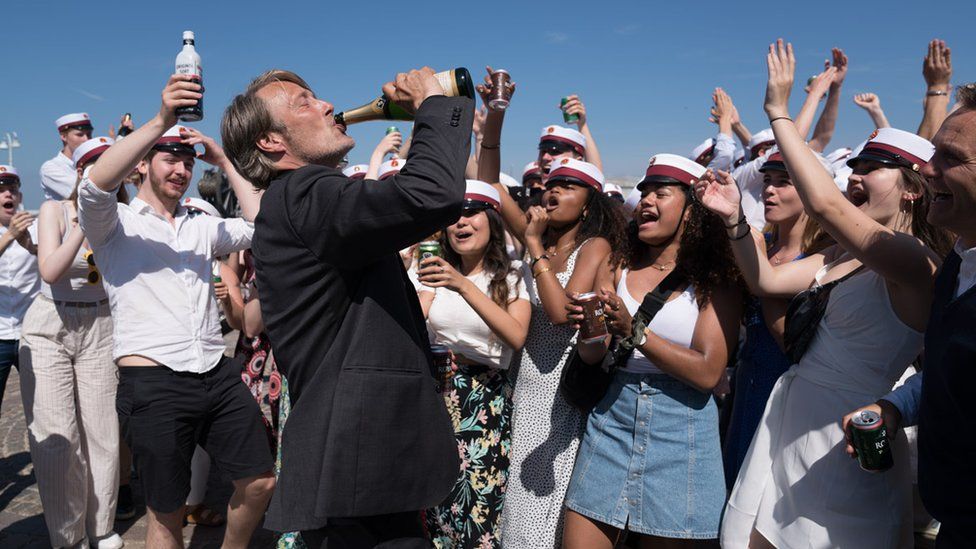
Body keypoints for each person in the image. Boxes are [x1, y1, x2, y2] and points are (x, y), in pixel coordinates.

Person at [698, 39, 952, 548]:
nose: (854, 176)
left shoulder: (914, 259)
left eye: (869, 169)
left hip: (842, 440)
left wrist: (779, 112)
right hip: (789, 419)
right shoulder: (843, 256)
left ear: (910, 188)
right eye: (852, 167)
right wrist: (733, 221)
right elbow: (765, 282)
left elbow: (826, 206)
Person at [220, 66, 472, 547]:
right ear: (272, 142)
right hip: (362, 457)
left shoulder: (298, 201)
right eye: (303, 102)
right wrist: (433, 106)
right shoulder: (305, 192)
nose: (328, 105)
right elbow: (430, 195)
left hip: (360, 461)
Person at [78, 74, 273, 549]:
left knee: (261, 481)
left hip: (214, 371)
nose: (182, 171)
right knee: (166, 514)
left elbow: (263, 225)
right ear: (141, 165)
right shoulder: (115, 224)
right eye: (170, 159)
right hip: (154, 380)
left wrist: (224, 159)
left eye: (187, 162)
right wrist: (162, 119)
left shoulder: (202, 224)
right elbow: (94, 184)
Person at [562, 153, 742, 547]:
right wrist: (590, 329)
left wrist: (636, 332)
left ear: (693, 211)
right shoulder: (618, 261)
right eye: (643, 193)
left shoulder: (717, 277)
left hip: (682, 430)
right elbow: (596, 355)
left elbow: (710, 372)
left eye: (661, 193)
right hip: (612, 419)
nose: (645, 202)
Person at [842, 82, 976, 549]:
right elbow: (949, 368)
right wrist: (896, 405)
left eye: (950, 158)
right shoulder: (961, 262)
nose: (928, 169)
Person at [496, 157, 627, 548]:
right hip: (522, 384)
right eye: (552, 183)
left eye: (569, 186)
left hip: (559, 393)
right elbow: (490, 185)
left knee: (541, 509)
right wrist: (492, 120)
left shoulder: (594, 246)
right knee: (514, 506)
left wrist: (532, 244)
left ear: (588, 205)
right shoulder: (541, 241)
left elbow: (560, 313)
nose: (554, 190)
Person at [19, 137, 127, 549]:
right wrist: (85, 222)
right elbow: (49, 269)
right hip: (51, 323)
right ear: (81, 174)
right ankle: (67, 538)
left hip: (101, 325)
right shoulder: (55, 211)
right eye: (98, 167)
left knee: (103, 432)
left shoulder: (124, 217)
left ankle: (101, 527)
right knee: (58, 438)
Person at [419, 180, 531, 548]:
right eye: (453, 216)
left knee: (477, 511)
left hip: (482, 402)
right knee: (435, 509)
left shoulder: (513, 274)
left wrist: (464, 286)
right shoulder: (433, 270)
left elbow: (516, 337)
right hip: (436, 397)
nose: (461, 223)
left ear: (492, 220)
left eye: (471, 213)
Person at [721, 151, 828, 487]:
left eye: (784, 182)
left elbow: (793, 344)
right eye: (767, 181)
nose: (770, 190)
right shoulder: (760, 241)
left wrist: (761, 273)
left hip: (787, 388)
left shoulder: (824, 254)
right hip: (746, 382)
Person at [0, 165, 39, 411]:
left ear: (20, 197)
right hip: (0, 334)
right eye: (1, 190)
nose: (8, 195)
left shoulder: (35, 228)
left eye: (12, 190)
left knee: (42, 406)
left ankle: (45, 451)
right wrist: (9, 236)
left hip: (31, 332)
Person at [41, 113, 94, 201]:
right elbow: (86, 193)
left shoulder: (92, 163)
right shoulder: (50, 168)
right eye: (80, 135)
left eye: (89, 134)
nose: (86, 139)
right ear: (64, 136)